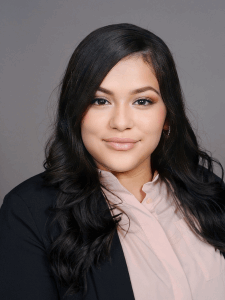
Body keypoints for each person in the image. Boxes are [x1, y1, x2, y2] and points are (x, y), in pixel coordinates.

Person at [0, 23, 225, 300]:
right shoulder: (29, 211)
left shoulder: (208, 189)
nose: (120, 123)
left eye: (142, 101)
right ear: (75, 111)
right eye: (99, 101)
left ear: (167, 116)